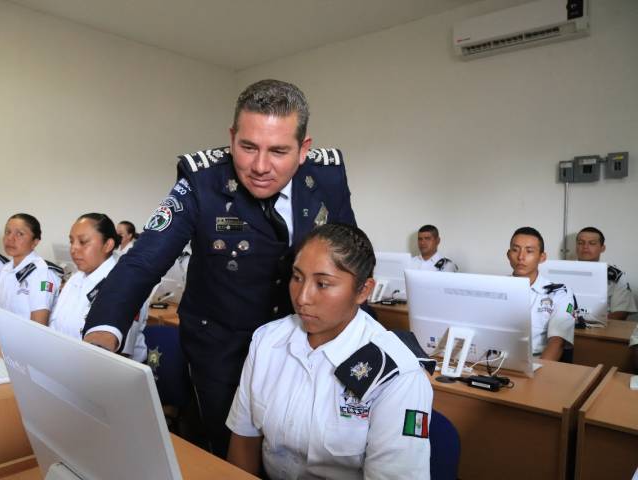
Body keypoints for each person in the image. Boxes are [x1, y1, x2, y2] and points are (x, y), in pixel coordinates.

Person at [83, 79, 357, 457]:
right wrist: (102, 334)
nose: (260, 166)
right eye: (248, 147)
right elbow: (144, 260)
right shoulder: (202, 179)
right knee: (225, 454)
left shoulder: (328, 177)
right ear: (232, 138)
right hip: (222, 350)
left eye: (278, 151)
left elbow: (348, 259)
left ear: (304, 148)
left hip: (304, 345)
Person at [226, 223, 432, 479]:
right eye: (297, 277)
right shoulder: (267, 340)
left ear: (363, 291)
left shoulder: (397, 373)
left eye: (322, 284)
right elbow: (244, 439)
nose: (302, 297)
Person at [49, 213, 147, 362]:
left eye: (83, 242)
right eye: (71, 241)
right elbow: (55, 328)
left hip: (108, 376)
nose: (73, 249)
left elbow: (115, 356)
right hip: (64, 364)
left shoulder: (125, 285)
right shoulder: (76, 278)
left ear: (107, 245)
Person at [507, 227, 575, 361]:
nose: (521, 257)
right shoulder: (495, 287)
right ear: (508, 255)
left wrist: (536, 374)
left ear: (542, 257)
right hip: (494, 362)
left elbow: (557, 342)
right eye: (515, 250)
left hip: (535, 363)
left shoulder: (558, 293)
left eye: (529, 251)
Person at [0, 214, 63, 325]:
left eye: (20, 234)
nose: (10, 238)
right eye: (7, 232)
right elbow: (1, 311)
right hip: (5, 336)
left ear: (35, 242)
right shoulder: (6, 268)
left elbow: (38, 324)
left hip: (27, 340)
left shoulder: (42, 272)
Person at [576, 227, 637, 320]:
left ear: (602, 248)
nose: (585, 246)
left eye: (592, 243)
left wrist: (592, 323)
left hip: (601, 328)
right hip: (564, 326)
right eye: (581, 243)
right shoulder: (561, 271)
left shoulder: (615, 276)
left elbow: (621, 312)